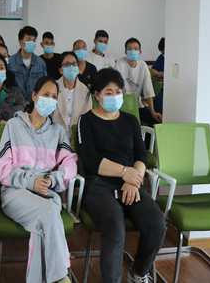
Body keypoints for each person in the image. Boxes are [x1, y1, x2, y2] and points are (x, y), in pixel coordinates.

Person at [78, 68, 166, 283]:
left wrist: (134, 181)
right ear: (97, 95)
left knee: (156, 223)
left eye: (118, 92)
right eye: (108, 92)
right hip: (98, 185)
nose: (115, 96)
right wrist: (125, 172)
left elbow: (141, 156)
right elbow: (90, 160)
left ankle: (139, 273)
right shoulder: (86, 121)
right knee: (115, 225)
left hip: (130, 184)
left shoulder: (130, 121)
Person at [0, 76, 77, 283]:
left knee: (42, 227)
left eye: (54, 97)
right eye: (45, 94)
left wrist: (52, 179)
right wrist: (30, 181)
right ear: (34, 96)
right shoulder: (13, 126)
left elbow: (70, 164)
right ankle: (61, 277)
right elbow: (3, 170)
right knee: (50, 213)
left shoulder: (58, 131)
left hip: (45, 193)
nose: (50, 100)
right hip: (15, 192)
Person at [115, 38, 162, 126]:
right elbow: (116, 88)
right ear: (125, 51)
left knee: (155, 121)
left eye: (136, 49)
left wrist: (153, 112)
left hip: (138, 104)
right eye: (129, 49)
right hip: (122, 105)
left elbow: (148, 91)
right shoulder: (120, 64)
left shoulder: (143, 65)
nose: (132, 51)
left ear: (140, 51)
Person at [52, 51, 92, 140]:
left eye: (74, 64)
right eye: (67, 64)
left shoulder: (85, 91)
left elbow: (87, 118)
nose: (71, 67)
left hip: (78, 137)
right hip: (55, 136)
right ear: (61, 70)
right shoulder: (52, 87)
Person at [8, 25, 47, 100]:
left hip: (35, 103)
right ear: (20, 42)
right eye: (29, 39)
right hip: (16, 103)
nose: (31, 43)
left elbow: (44, 86)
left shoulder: (41, 63)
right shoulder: (11, 62)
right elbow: (7, 87)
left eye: (34, 40)